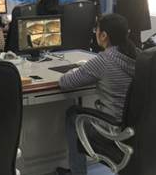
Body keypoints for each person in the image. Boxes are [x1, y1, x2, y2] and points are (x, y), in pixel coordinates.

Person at [56, 14, 137, 175]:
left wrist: (76, 70)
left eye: (97, 30)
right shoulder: (139, 56)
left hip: (112, 129)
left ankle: (77, 172)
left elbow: (65, 83)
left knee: (73, 114)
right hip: (135, 128)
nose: (96, 33)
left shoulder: (104, 60)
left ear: (104, 35)